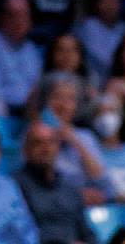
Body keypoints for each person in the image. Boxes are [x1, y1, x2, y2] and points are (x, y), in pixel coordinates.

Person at [14, 121, 97, 244]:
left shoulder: (70, 187)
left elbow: (85, 229)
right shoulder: (15, 186)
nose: (45, 148)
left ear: (58, 147)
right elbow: (20, 231)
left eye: (50, 142)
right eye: (38, 143)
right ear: (26, 150)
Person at [37, 71, 108, 199]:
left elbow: (102, 180)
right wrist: (77, 196)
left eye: (70, 99)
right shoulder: (36, 135)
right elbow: (36, 185)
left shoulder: (86, 136)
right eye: (57, 97)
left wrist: (75, 142)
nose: (63, 105)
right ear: (45, 101)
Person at [0, 0, 42, 116]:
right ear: (2, 18)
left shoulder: (31, 49)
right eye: (14, 15)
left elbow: (37, 85)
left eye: (25, 15)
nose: (20, 20)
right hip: (2, 110)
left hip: (28, 112)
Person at [75, 0, 125, 86]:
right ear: (97, 3)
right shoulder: (85, 27)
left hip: (122, 84)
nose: (110, 4)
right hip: (90, 84)